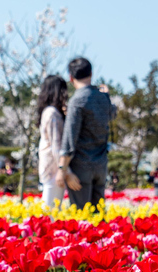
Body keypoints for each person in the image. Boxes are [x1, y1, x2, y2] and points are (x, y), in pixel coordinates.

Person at [58, 57, 117, 210]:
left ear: (71, 77)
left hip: (81, 167)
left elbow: (70, 138)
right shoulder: (103, 98)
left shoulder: (77, 100)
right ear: (91, 73)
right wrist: (107, 95)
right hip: (101, 165)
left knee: (82, 216)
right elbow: (112, 113)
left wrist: (62, 169)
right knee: (98, 216)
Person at [37, 75, 68, 207]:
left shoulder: (50, 111)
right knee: (50, 210)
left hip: (51, 166)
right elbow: (56, 146)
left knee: (51, 209)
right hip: (54, 168)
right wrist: (65, 170)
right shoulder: (52, 113)